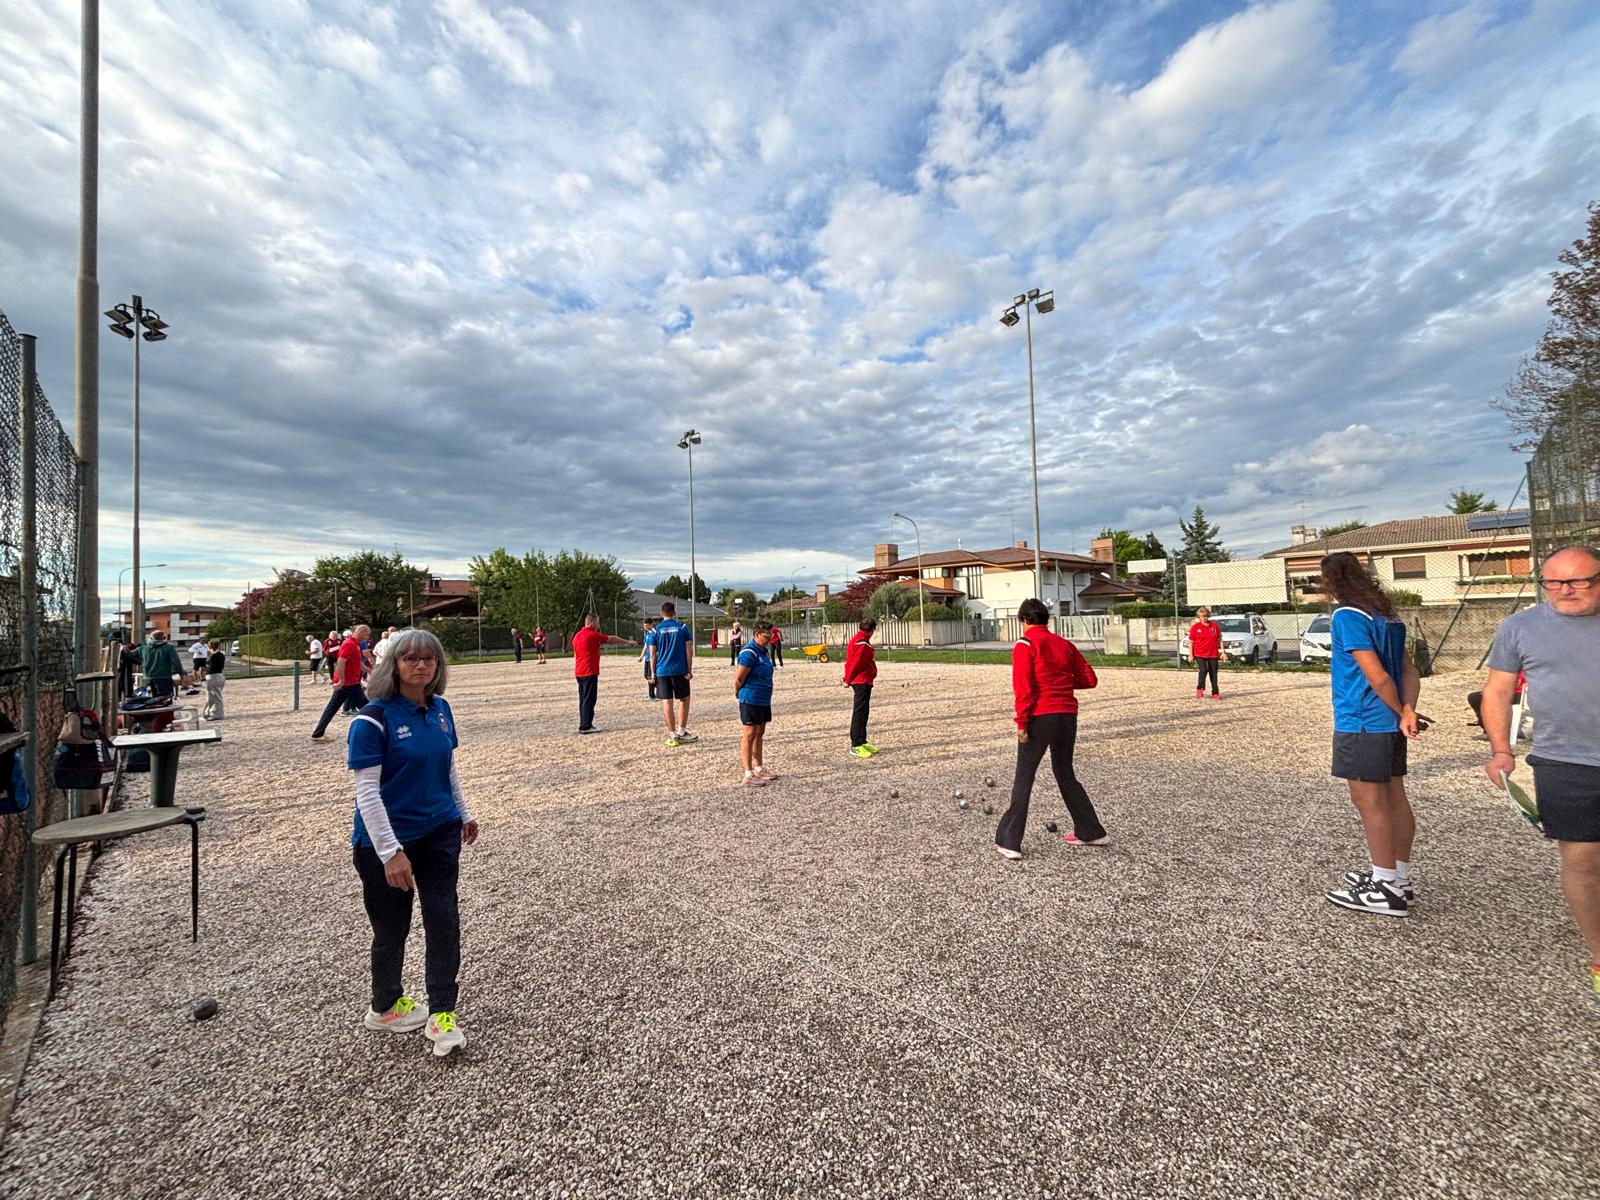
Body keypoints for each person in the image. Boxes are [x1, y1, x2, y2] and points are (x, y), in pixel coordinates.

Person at [347, 627, 479, 1056]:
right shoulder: (373, 719)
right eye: (411, 659)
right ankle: (385, 1005)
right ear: (394, 665)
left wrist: (464, 811)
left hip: (440, 831)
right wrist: (391, 852)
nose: (422, 665)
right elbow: (367, 793)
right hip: (387, 843)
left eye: (429, 658)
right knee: (392, 930)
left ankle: (443, 1012)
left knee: (443, 919)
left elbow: (447, 767)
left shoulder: (441, 709)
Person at [1481, 545, 1600, 1003]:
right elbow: (1496, 691)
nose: (1564, 591)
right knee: (1583, 859)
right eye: (1553, 583)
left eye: (1577, 581)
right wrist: (1500, 750)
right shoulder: (1521, 626)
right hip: (1564, 761)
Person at [1318, 552, 1422, 918]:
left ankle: (1385, 887)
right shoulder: (1388, 616)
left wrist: (1398, 710)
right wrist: (1406, 710)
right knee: (1395, 798)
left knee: (1369, 802)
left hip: (1362, 719)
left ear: (1330, 581)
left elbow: (1376, 676)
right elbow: (1409, 672)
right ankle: (1399, 876)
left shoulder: (1347, 615)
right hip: (1390, 721)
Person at [995, 598, 1107, 861]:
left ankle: (1010, 841)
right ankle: (1091, 831)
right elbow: (1089, 680)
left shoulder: (1025, 644)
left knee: (1024, 776)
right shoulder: (1065, 644)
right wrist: (1061, 684)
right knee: (1065, 773)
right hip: (1067, 715)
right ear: (1047, 619)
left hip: (1040, 715)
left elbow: (1023, 688)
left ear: (1022, 620)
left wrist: (1021, 723)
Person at [571, 615, 638, 734]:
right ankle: (586, 726)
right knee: (590, 699)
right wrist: (627, 642)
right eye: (597, 623)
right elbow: (611, 639)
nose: (598, 626)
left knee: (583, 699)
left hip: (579, 671)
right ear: (591, 623)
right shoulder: (591, 634)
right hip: (589, 671)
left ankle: (584, 723)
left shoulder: (577, 636)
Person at [734, 621, 776, 787]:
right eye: (766, 636)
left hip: (763, 698)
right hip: (751, 697)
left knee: (760, 732)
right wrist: (738, 691)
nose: (769, 639)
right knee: (749, 734)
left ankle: (759, 767)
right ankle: (748, 773)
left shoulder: (764, 651)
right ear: (757, 634)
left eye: (770, 636)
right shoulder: (749, 652)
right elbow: (739, 678)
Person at [313, 624, 372, 741]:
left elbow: (357, 663)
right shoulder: (350, 644)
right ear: (361, 632)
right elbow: (340, 662)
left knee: (332, 708)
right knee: (368, 708)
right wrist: (341, 680)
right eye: (367, 634)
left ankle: (317, 734)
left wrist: (370, 671)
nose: (367, 638)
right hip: (349, 684)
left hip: (349, 683)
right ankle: (382, 730)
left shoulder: (355, 644)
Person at [650, 601, 697, 746]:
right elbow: (689, 651)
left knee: (667, 702)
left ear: (661, 614)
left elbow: (652, 655)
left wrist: (653, 674)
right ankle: (681, 731)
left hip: (662, 670)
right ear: (674, 612)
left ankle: (672, 736)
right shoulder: (682, 628)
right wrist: (689, 670)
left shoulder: (656, 630)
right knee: (684, 699)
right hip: (680, 669)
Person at [842, 617, 879, 758]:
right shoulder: (862, 643)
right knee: (859, 713)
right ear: (872, 630)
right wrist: (848, 679)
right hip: (861, 680)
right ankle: (856, 744)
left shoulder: (859, 639)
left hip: (864, 680)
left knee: (864, 712)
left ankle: (862, 740)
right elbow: (855, 663)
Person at [1188, 607, 1223, 700]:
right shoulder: (1195, 627)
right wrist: (1190, 654)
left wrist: (1223, 652)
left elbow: (1220, 639)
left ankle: (1215, 693)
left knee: (1213, 673)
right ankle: (1200, 688)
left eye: (1205, 616)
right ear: (1199, 617)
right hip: (1199, 653)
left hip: (1213, 653)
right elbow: (1191, 642)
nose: (1204, 618)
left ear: (1208, 616)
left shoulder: (1214, 626)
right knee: (1203, 670)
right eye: (1202, 617)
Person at [139, 630, 184, 702]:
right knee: (165, 701)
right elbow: (176, 662)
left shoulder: (143, 648)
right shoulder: (169, 648)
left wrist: (142, 662)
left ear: (151, 638)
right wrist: (181, 673)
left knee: (148, 702)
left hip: (147, 679)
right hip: (164, 678)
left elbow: (130, 655)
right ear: (163, 638)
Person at [202, 639, 226, 721]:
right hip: (220, 675)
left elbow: (211, 668)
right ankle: (209, 712)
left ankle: (217, 714)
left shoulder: (213, 656)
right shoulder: (221, 655)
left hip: (213, 676)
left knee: (215, 696)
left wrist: (204, 669)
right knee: (212, 696)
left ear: (210, 646)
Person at [640, 618, 659, 701]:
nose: (646, 627)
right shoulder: (648, 634)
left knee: (651, 676)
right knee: (646, 675)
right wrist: (641, 657)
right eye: (644, 626)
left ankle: (652, 695)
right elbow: (645, 646)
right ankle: (657, 688)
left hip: (653, 659)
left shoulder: (655, 634)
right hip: (647, 659)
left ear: (651, 624)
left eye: (647, 625)